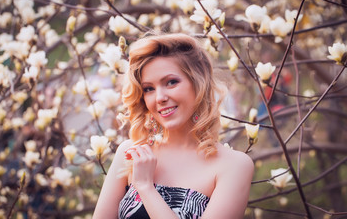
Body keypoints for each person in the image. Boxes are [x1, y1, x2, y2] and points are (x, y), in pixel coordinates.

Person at [93, 33, 254, 219]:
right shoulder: (131, 154)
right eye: (149, 89)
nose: (160, 97)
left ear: (198, 84)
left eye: (171, 82)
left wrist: (146, 187)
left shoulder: (233, 166)